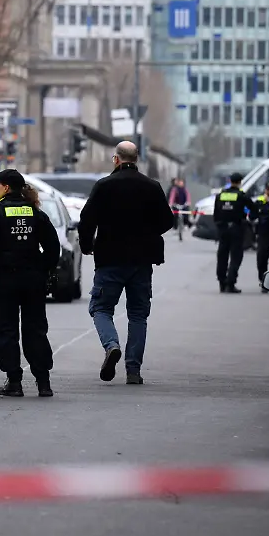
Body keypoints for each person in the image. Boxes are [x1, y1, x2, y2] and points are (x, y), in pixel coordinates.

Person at [78, 141, 174, 385]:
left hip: (109, 259)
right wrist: (147, 232)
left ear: (116, 159)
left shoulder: (104, 186)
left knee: (101, 308)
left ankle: (111, 345)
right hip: (141, 261)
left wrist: (87, 245)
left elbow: (86, 219)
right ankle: (133, 370)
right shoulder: (152, 187)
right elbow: (167, 221)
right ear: (137, 159)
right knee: (138, 315)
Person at [0, 169, 60, 397]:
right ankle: (43, 382)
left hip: (4, 280)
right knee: (36, 329)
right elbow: (53, 247)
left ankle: (14, 382)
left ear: (6, 187)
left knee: (6, 330)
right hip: (33, 280)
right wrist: (42, 269)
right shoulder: (35, 212)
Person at [214, 172, 257, 294]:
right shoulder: (241, 195)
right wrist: (250, 219)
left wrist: (219, 226)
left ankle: (222, 282)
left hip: (223, 229)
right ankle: (230, 283)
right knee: (236, 256)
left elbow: (216, 213)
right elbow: (254, 208)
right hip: (236, 228)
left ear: (230, 181)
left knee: (222, 255)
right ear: (240, 182)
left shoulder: (221, 195)